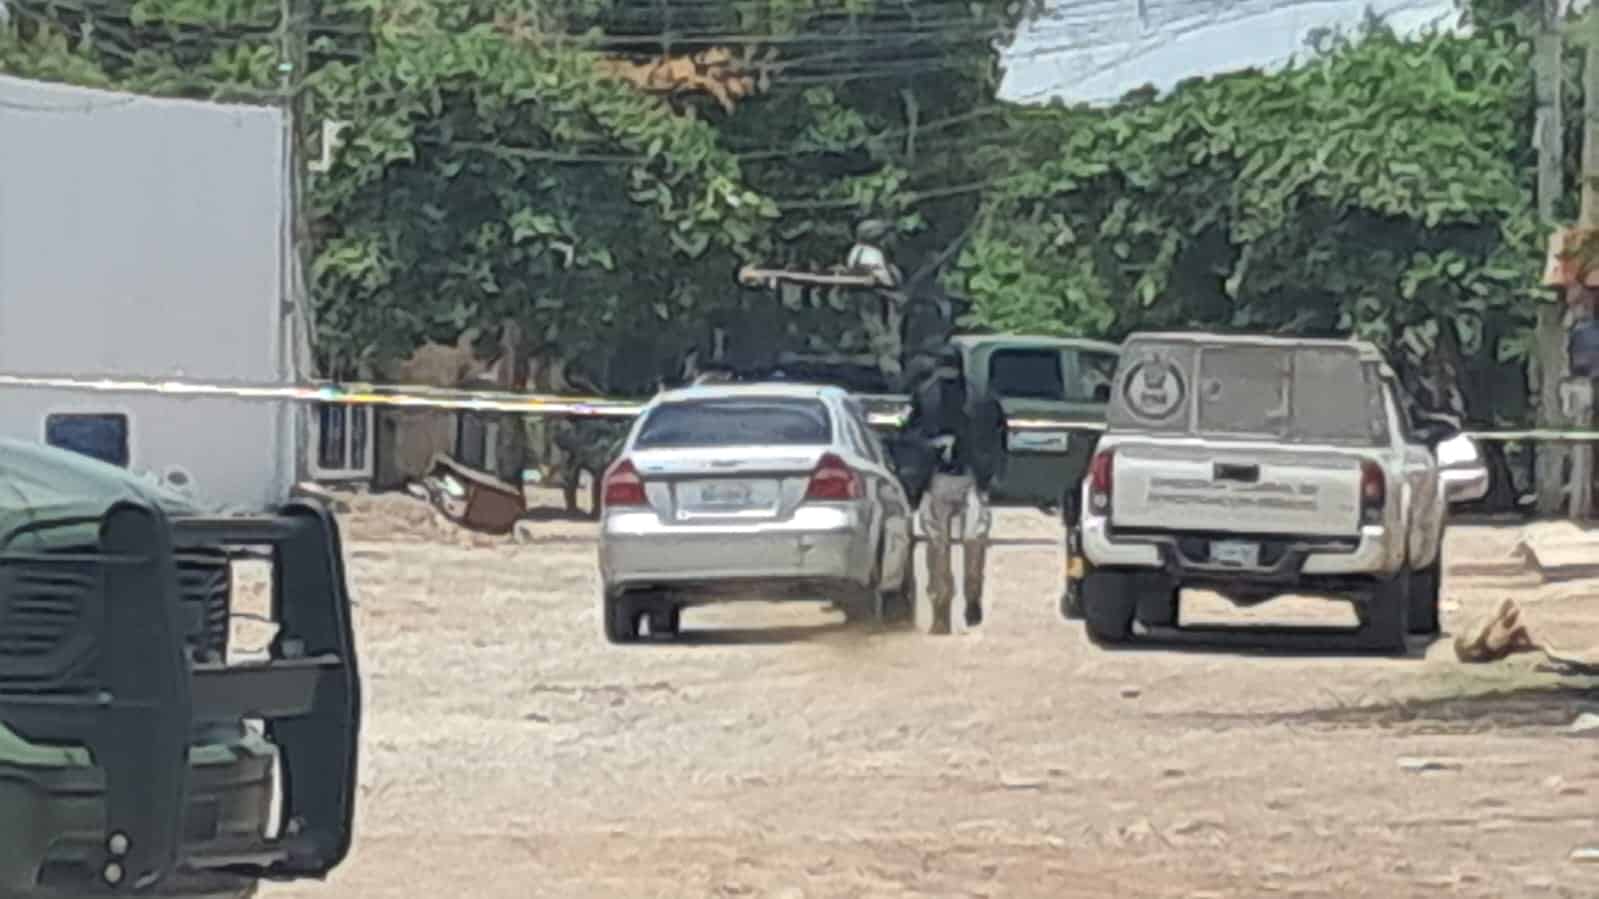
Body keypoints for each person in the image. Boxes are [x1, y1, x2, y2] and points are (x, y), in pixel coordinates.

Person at [903, 344, 1007, 634]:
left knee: (974, 539)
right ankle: (940, 609)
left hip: (972, 478)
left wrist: (994, 473)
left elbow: (999, 435)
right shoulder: (924, 396)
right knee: (937, 548)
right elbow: (908, 434)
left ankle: (973, 596)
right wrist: (930, 447)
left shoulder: (982, 398)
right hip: (936, 479)